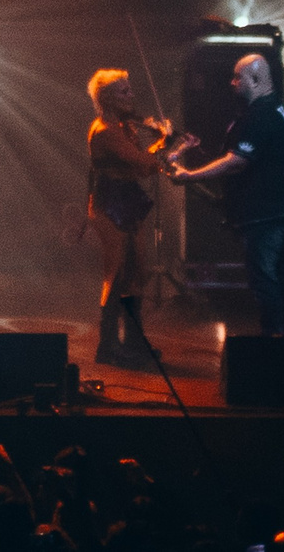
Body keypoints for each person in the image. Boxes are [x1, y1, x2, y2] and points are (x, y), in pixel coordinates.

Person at [168, 52, 284, 336]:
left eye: (238, 77)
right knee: (282, 273)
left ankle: (275, 338)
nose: (232, 83)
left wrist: (189, 176)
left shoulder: (262, 115)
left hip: (265, 212)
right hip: (277, 208)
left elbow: (237, 162)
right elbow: (238, 155)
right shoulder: (270, 110)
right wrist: (198, 150)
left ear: (255, 79)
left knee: (264, 277)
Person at [84, 69, 188, 367]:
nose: (131, 96)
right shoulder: (105, 131)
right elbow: (145, 162)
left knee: (136, 273)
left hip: (126, 203)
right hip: (108, 206)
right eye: (123, 92)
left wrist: (161, 144)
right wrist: (169, 145)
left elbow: (143, 169)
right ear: (106, 97)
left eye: (130, 90)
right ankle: (108, 345)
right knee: (116, 273)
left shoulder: (123, 126)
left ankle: (132, 341)